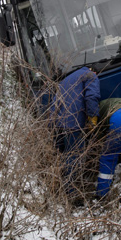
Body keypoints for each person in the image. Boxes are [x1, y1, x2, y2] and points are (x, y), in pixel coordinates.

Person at [49, 66, 101, 197]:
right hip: (74, 124)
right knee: (74, 157)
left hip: (59, 124)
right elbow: (91, 97)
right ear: (93, 71)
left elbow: (54, 104)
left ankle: (59, 186)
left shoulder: (65, 80)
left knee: (65, 155)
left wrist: (52, 125)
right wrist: (92, 118)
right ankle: (71, 193)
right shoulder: (90, 75)